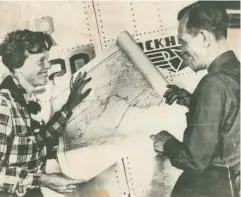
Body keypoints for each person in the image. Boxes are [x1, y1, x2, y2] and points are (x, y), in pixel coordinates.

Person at [152, 1, 240, 197]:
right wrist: (194, 102)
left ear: (203, 37)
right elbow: (232, 119)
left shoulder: (213, 83)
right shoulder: (235, 72)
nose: (181, 51)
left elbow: (195, 160)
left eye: (183, 41)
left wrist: (165, 143)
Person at [0, 29, 92, 197]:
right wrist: (44, 180)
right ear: (17, 66)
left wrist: (69, 106)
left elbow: (39, 142)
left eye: (47, 59)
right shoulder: (3, 105)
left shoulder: (25, 99)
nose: (48, 66)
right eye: (41, 61)